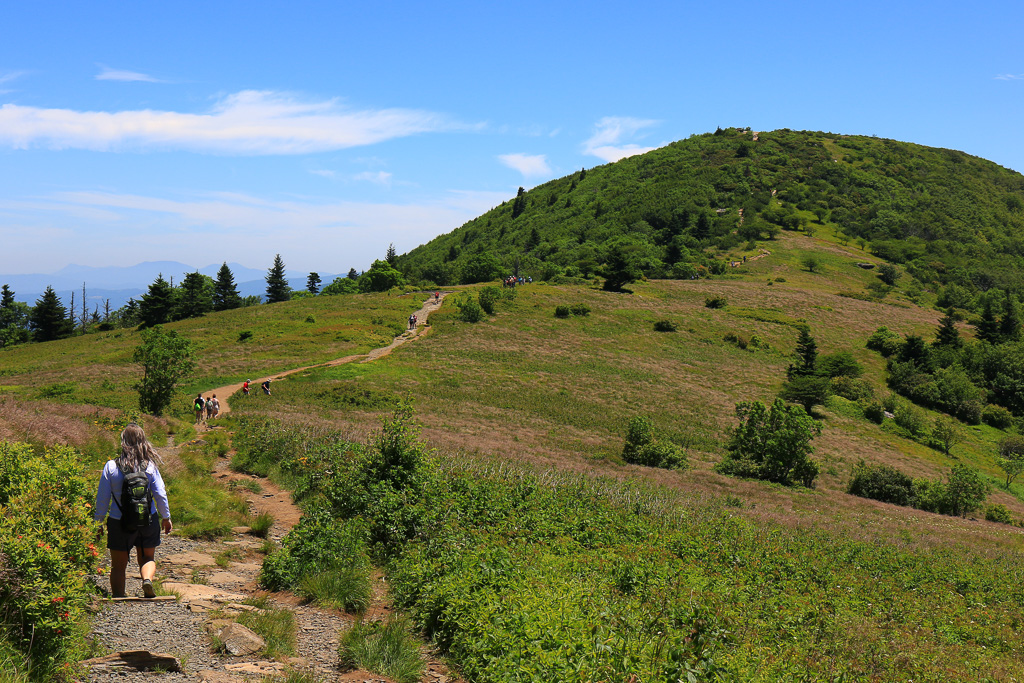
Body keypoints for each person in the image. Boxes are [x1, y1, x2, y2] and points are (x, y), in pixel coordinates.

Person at [94, 424, 172, 598]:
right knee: (148, 558)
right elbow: (160, 494)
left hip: (118, 521)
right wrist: (166, 517)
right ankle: (147, 580)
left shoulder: (111, 466)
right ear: (143, 441)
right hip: (147, 519)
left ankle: (119, 598)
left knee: (118, 565)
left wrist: (98, 523)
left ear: (123, 442)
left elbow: (102, 498)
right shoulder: (150, 466)